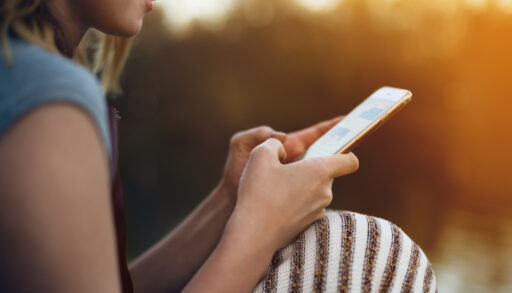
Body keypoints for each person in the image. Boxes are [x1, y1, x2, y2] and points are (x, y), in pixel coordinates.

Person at [0, 0, 436, 292]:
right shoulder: (46, 98)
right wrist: (258, 232)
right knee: (369, 249)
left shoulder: (24, 72)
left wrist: (230, 200)